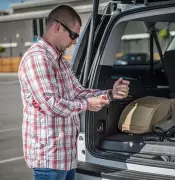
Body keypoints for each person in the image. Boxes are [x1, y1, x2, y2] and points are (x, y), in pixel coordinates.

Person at [18, 5, 130, 180]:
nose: (75, 41)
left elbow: (78, 92)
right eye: (74, 35)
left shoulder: (60, 61)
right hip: (49, 159)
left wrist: (109, 94)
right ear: (57, 27)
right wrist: (87, 104)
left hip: (65, 157)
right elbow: (51, 105)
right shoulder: (38, 58)